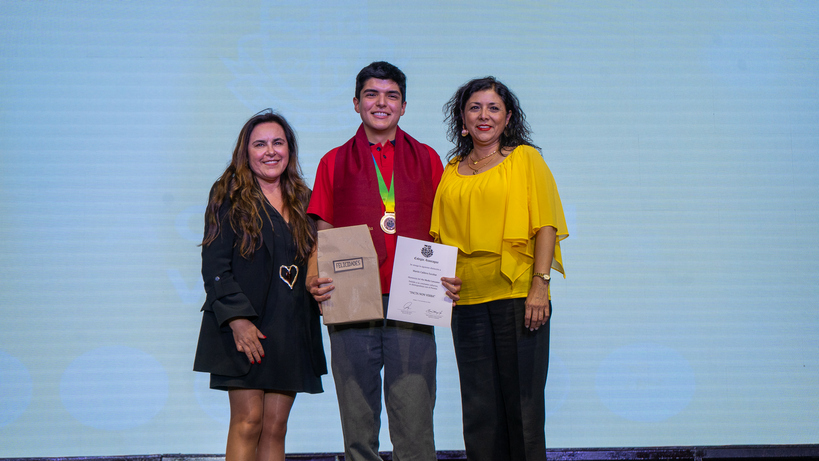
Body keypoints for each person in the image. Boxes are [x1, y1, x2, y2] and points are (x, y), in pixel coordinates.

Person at [306, 61, 461, 461]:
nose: (381, 103)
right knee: (357, 420)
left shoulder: (428, 159)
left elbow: (445, 230)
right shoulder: (333, 161)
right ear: (356, 103)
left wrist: (452, 273)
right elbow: (323, 230)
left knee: (414, 418)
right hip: (351, 298)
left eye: (392, 96)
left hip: (414, 299)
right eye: (371, 94)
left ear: (403, 106)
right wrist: (314, 275)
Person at [430, 77, 569, 461]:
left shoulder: (525, 159)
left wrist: (540, 286)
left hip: (518, 295)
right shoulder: (451, 169)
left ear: (508, 118)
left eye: (493, 108)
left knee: (523, 407)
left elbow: (546, 225)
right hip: (465, 302)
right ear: (462, 119)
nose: (484, 115)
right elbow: (440, 237)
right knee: (479, 412)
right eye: (474, 108)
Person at [193, 110, 327, 461]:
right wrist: (237, 321)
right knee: (248, 422)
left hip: (291, 327)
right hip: (245, 326)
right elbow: (215, 266)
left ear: (289, 149)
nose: (270, 151)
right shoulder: (228, 195)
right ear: (246, 151)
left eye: (278, 143)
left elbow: (318, 257)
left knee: (275, 427)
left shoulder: (305, 198)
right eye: (260, 144)